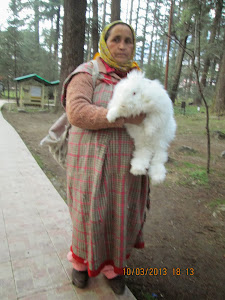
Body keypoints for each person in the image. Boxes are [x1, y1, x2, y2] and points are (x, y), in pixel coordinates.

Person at [62, 20, 150, 295]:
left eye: (129, 40)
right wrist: (121, 117)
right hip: (89, 161)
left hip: (127, 165)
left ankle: (114, 267)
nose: (123, 46)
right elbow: (76, 112)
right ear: (104, 42)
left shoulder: (137, 78)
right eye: (117, 39)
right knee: (89, 212)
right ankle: (80, 263)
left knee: (121, 212)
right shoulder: (88, 72)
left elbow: (153, 113)